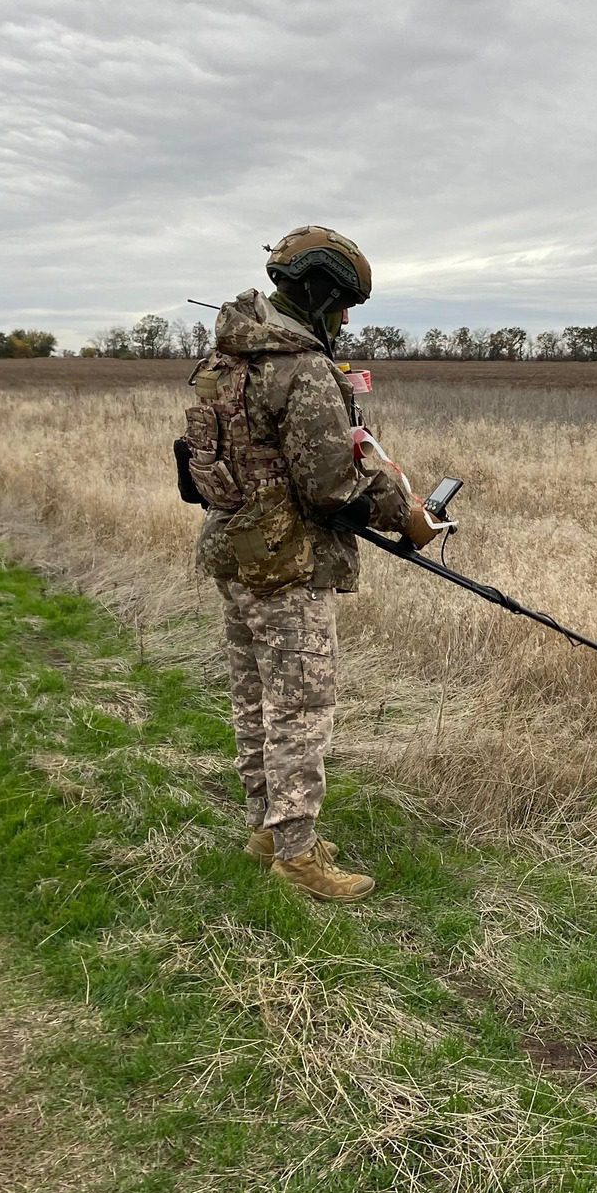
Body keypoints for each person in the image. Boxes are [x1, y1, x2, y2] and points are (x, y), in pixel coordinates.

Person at [181, 227, 438, 902]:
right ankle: (296, 857)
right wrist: (404, 511)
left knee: (253, 700)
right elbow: (330, 485)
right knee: (298, 708)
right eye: (344, 304)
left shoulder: (228, 357)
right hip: (288, 567)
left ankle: (268, 827)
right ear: (320, 294)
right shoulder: (303, 366)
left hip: (233, 553)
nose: (347, 318)